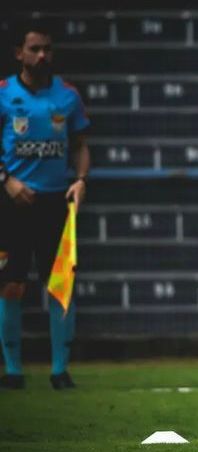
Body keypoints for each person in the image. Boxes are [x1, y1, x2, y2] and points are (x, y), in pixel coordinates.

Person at [0, 22, 90, 390]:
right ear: (19, 53)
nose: (42, 55)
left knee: (60, 285)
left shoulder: (67, 96)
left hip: (56, 204)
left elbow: (81, 144)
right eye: (35, 48)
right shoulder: (4, 94)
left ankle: (59, 370)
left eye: (47, 49)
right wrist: (6, 180)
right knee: (11, 285)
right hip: (12, 203)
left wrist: (81, 179)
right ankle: (13, 371)